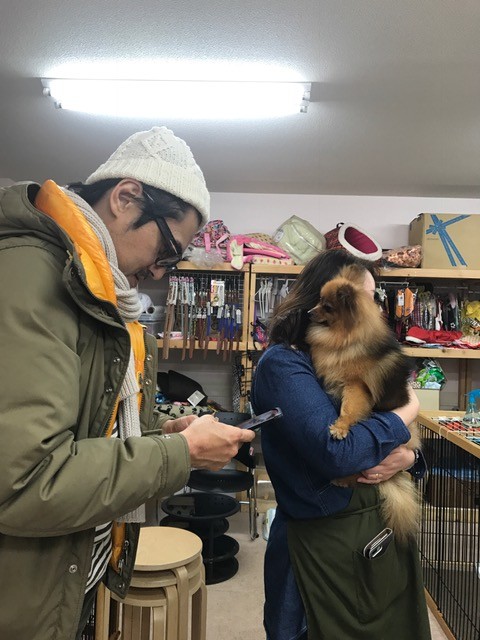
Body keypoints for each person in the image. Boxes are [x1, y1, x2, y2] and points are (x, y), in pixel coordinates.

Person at [0, 126, 255, 640]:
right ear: (125, 198)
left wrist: (163, 428)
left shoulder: (100, 291)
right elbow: (25, 483)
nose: (160, 272)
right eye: (167, 249)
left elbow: (96, 416)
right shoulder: (32, 276)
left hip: (72, 571)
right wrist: (180, 453)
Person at [251, 249, 431, 640]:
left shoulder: (365, 352)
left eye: (373, 298)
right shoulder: (284, 364)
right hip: (320, 536)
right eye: (365, 298)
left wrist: (408, 457)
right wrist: (407, 411)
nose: (374, 309)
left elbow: (400, 442)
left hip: (377, 529)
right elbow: (338, 454)